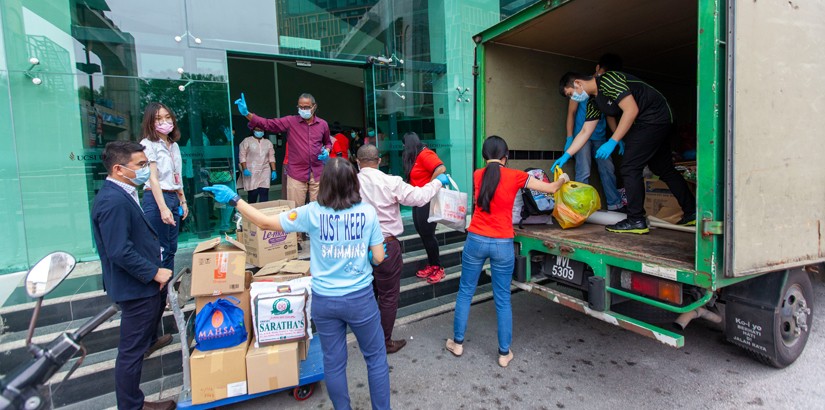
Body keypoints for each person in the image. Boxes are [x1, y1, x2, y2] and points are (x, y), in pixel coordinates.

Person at [203, 158, 390, 410]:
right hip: (360, 300)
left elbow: (265, 222)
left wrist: (235, 200)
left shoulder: (311, 212)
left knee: (334, 363)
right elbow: (379, 257)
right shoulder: (367, 213)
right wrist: (368, 256)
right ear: (353, 184)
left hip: (324, 301)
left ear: (323, 184)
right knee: (376, 359)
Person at [446, 136, 568, 368]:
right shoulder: (516, 176)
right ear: (506, 156)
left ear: (484, 156)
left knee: (465, 292)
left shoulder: (477, 174)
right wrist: (562, 177)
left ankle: (458, 343)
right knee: (502, 299)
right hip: (502, 243)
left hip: (476, 240)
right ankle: (504, 353)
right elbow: (551, 188)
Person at [556, 71, 696, 234]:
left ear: (578, 83)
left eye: (572, 94)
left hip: (654, 118)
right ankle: (691, 211)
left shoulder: (608, 80)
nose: (574, 99)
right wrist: (567, 154)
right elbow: (586, 130)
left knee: (630, 168)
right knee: (662, 168)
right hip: (656, 121)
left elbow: (631, 110)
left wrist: (613, 141)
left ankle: (636, 219)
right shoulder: (594, 101)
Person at [91, 141, 175, 410]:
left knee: (134, 347)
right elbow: (119, 250)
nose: (145, 170)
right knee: (130, 353)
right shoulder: (113, 201)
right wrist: (153, 272)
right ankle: (132, 406)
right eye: (140, 165)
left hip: (141, 285)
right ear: (118, 168)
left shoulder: (123, 192)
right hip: (136, 287)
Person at [356, 144, 450, 354]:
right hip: (386, 245)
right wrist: (436, 183)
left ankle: (368, 337)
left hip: (359, 248)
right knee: (388, 296)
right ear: (379, 160)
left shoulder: (350, 182)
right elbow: (418, 197)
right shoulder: (391, 181)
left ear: (357, 161)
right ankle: (384, 342)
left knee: (366, 293)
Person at [139, 102, 186, 356]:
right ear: (150, 121)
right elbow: (153, 179)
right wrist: (163, 208)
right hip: (156, 201)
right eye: (159, 119)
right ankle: (147, 336)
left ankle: (153, 332)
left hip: (171, 198)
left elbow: (176, 176)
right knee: (159, 259)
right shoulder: (149, 145)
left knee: (169, 254)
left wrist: (182, 200)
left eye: (168, 117)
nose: (165, 122)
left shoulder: (173, 145)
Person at [234, 92, 331, 208]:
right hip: (296, 173)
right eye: (300, 107)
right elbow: (268, 124)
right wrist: (247, 114)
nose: (303, 110)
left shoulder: (323, 124)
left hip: (317, 173)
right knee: (296, 210)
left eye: (306, 107)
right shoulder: (291, 121)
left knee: (319, 209)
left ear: (314, 106)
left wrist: (328, 151)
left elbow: (328, 142)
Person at [560, 53, 624, 212]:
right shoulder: (579, 87)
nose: (605, 76)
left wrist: (617, 137)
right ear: (597, 68)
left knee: (608, 169)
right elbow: (571, 113)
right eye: (603, 72)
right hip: (582, 138)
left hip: (600, 137)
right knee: (583, 171)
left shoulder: (606, 88)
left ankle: (615, 205)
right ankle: (583, 207)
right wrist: (569, 137)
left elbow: (610, 114)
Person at [402, 132, 447, 283]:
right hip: (419, 200)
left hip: (427, 201)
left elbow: (440, 168)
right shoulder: (415, 156)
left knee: (428, 235)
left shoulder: (424, 154)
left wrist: (429, 188)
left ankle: (438, 268)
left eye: (404, 146)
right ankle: (432, 265)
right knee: (423, 233)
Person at [238, 126, 276, 203]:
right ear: (253, 130)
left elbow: (271, 157)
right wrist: (244, 169)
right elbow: (242, 156)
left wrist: (274, 170)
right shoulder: (247, 141)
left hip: (265, 170)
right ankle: (252, 212)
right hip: (251, 171)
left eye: (261, 130)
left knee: (264, 192)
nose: (259, 132)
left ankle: (263, 213)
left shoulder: (268, 143)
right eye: (257, 130)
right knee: (253, 193)